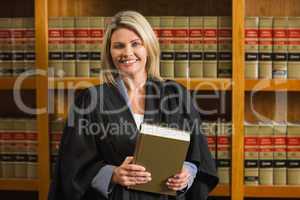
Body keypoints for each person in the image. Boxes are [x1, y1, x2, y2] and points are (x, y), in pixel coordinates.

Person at [48, 10, 218, 200]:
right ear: (109, 52)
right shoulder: (91, 100)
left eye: (136, 44)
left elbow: (199, 157)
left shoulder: (176, 95)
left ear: (148, 47)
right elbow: (73, 166)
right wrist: (112, 174)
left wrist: (186, 175)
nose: (127, 53)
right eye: (118, 46)